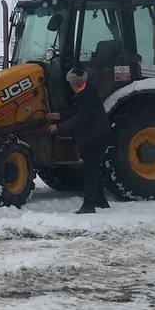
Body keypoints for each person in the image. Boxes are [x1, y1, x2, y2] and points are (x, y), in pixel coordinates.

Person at [48, 66, 112, 214]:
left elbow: (81, 118)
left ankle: (89, 206)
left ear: (74, 83)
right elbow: (75, 114)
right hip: (93, 138)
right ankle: (101, 202)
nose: (69, 86)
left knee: (90, 172)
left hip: (95, 139)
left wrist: (59, 127)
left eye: (70, 83)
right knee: (92, 170)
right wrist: (59, 116)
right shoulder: (84, 94)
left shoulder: (87, 96)